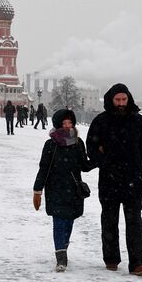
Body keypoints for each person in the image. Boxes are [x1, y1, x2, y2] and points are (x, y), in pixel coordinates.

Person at [86, 83, 142, 276]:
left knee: (134, 222)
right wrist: (104, 160)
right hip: (109, 179)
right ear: (111, 100)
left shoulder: (137, 121)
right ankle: (111, 258)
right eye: (117, 100)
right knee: (109, 220)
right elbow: (91, 148)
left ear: (129, 99)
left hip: (134, 178)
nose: (120, 103)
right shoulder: (101, 122)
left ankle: (137, 263)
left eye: (123, 100)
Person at [32, 109, 94, 272]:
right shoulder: (51, 144)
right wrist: (37, 190)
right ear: (58, 125)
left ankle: (64, 247)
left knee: (69, 222)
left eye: (70, 123)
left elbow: (85, 166)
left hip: (73, 190)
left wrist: (100, 156)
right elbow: (43, 169)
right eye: (64, 123)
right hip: (56, 189)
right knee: (59, 222)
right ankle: (61, 256)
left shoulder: (78, 143)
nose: (67, 126)